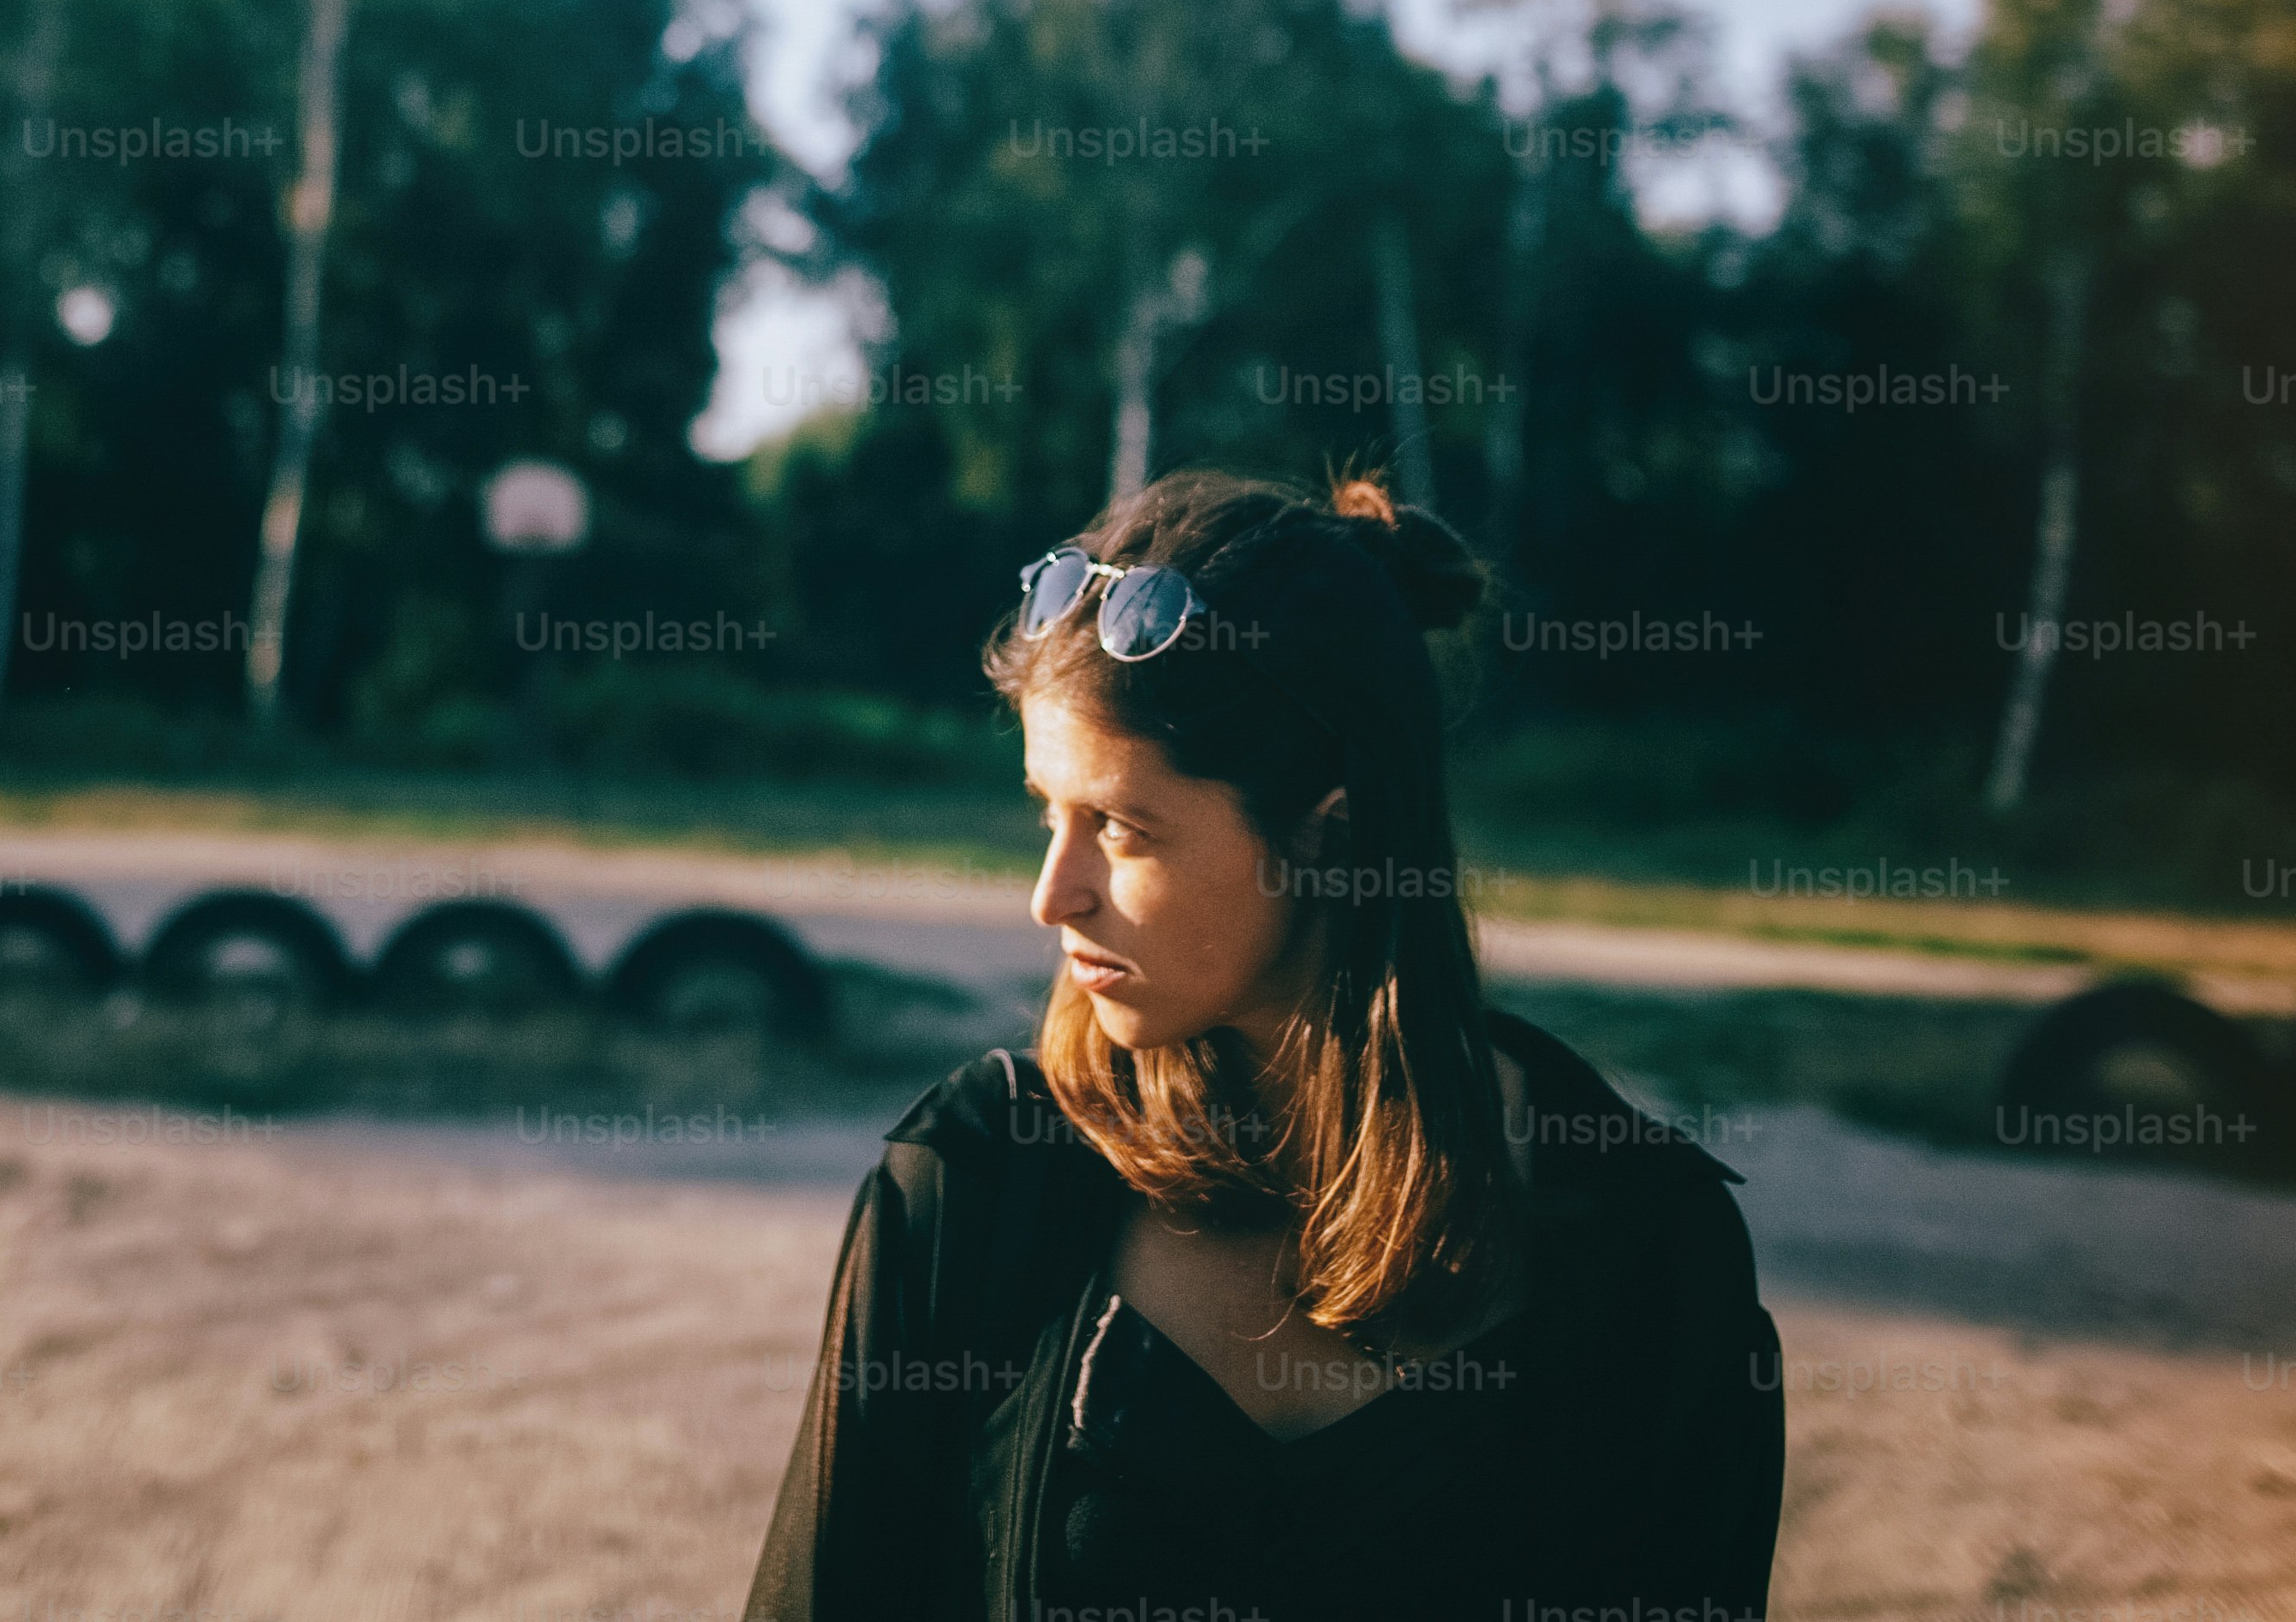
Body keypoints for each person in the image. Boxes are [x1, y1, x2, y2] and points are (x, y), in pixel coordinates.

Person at [744, 470, 1783, 1621]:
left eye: (1122, 828)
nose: (1055, 896)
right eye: (1050, 813)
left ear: (1329, 839)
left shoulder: (1648, 1254)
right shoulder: (976, 1188)